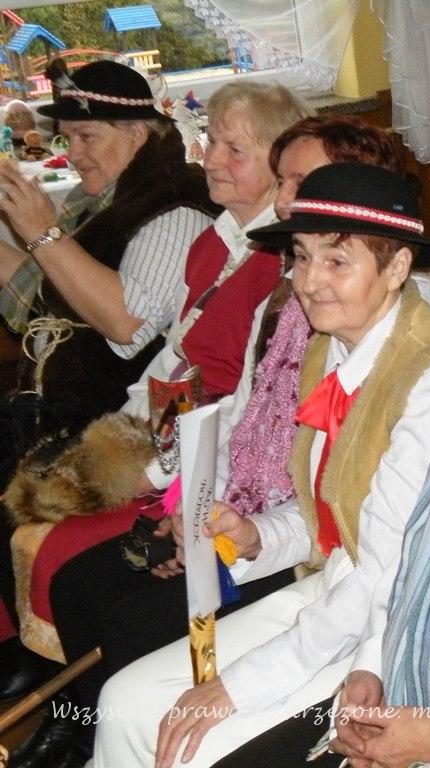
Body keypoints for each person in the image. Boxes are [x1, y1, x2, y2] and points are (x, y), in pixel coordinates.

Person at [99, 118, 430, 768]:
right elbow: (410, 552)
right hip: (384, 628)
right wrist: (371, 660)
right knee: (126, 700)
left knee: (194, 741)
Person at [93, 162, 430, 768]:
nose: (309, 281)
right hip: (331, 591)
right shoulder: (330, 348)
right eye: (300, 257)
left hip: (388, 623)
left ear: (397, 268)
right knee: (123, 701)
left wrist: (234, 687)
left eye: (336, 260)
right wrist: (256, 536)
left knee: (195, 745)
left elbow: (385, 570)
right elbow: (330, 512)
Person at [1, 81, 312, 768]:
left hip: (207, 461)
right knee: (46, 528)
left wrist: (161, 475)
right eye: (211, 141)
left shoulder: (283, 266)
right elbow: (171, 361)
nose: (212, 159)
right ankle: (69, 714)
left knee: (82, 570)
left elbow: (248, 407)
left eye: (235, 149)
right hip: (169, 437)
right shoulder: (217, 242)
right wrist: (120, 432)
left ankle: (87, 724)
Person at [0, 59, 218, 708]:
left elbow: (124, 324)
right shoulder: (107, 201)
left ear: (139, 133)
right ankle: (23, 654)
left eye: (86, 136)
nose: (72, 152)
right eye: (67, 137)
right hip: (63, 404)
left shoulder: (174, 210)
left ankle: (36, 668)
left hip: (118, 424)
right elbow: (37, 295)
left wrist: (41, 232)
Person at [270, 115, 430, 328]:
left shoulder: (410, 299)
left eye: (303, 185)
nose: (280, 202)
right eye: (280, 182)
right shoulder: (300, 269)